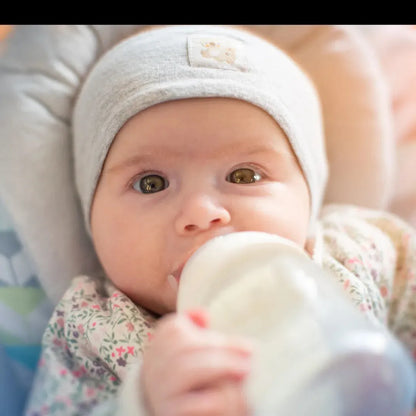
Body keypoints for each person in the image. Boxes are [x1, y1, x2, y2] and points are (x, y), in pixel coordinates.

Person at [25, 25, 416, 416]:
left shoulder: (358, 248)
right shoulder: (93, 326)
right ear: (91, 216)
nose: (202, 212)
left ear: (309, 196)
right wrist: (144, 404)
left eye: (244, 176)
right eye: (151, 183)